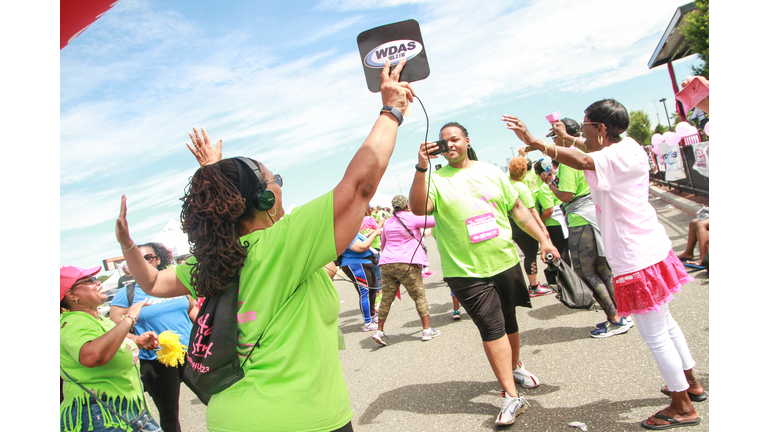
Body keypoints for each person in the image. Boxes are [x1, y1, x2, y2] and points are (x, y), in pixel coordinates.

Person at [115, 59, 414, 432]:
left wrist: (128, 246)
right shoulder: (283, 242)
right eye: (276, 180)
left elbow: (152, 283)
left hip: (231, 417)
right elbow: (359, 187)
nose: (280, 186)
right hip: (301, 418)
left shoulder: (214, 261)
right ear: (263, 200)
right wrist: (392, 111)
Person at [505, 98, 707, 430]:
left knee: (655, 334)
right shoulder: (628, 147)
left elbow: (585, 156)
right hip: (650, 248)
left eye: (585, 126)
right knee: (667, 325)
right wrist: (566, 138)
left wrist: (536, 143)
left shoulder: (608, 157)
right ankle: (690, 385)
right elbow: (586, 148)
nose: (581, 132)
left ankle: (682, 404)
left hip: (634, 255)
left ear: (600, 128)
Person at [409, 121, 560, 426]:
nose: (449, 144)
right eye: (443, 142)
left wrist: (544, 239)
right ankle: (510, 395)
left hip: (503, 261)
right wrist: (421, 168)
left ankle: (515, 366)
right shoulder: (435, 179)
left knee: (509, 320)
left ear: (466, 141)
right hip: (465, 271)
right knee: (491, 328)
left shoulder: (490, 171)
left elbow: (517, 208)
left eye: (455, 139)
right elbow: (419, 208)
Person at [543, 117, 632, 338]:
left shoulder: (568, 160)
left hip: (581, 218)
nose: (554, 141)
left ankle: (615, 318)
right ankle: (623, 314)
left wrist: (550, 184)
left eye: (554, 136)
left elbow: (566, 195)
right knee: (602, 268)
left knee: (584, 270)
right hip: (595, 213)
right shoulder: (587, 152)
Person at [60, 265, 161, 432]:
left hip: (123, 410)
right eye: (89, 281)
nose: (98, 283)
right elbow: (92, 356)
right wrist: (129, 318)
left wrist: (138, 340)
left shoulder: (99, 320)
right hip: (101, 415)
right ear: (71, 294)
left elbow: (113, 338)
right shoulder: (72, 322)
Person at [109, 242, 198, 432]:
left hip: (192, 353)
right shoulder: (126, 293)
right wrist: (138, 341)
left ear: (157, 260)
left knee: (216, 398)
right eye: (135, 259)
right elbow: (115, 326)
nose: (142, 262)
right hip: (156, 360)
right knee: (169, 415)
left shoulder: (173, 281)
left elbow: (193, 309)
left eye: (147, 258)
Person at [372, 195, 439, 346]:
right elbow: (435, 220)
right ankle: (427, 330)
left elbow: (383, 245)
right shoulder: (411, 217)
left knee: (386, 300)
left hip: (387, 264)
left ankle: (379, 332)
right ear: (406, 205)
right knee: (419, 296)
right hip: (407, 263)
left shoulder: (388, 222)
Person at [507, 157, 555, 297]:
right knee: (530, 255)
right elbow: (532, 210)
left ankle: (532, 285)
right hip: (524, 224)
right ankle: (534, 286)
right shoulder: (522, 187)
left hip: (512, 225)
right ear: (523, 171)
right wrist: (542, 228)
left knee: (525, 255)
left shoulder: (508, 185)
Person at [339, 225, 383, 331]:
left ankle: (372, 316)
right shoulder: (345, 233)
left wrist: (369, 234)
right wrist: (375, 233)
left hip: (365, 262)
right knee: (365, 292)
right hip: (356, 264)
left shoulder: (351, 231)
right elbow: (362, 247)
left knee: (372, 290)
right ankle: (367, 322)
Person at [532, 159, 570, 266]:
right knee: (567, 250)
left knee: (561, 251)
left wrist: (541, 219)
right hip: (565, 218)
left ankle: (567, 277)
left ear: (537, 174)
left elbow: (549, 211)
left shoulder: (544, 187)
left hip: (554, 223)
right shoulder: (558, 179)